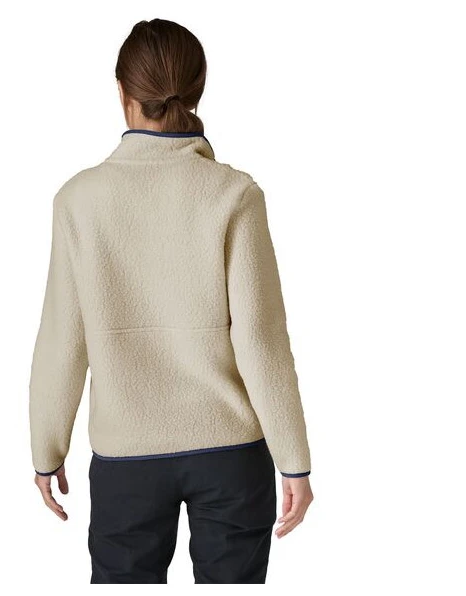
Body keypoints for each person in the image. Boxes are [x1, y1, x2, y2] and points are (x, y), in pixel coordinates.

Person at [29, 17, 314, 584]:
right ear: (197, 90)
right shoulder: (234, 194)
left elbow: (64, 338)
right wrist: (294, 461)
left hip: (125, 459)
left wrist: (47, 448)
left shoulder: (79, 201)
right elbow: (260, 339)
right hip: (231, 452)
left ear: (122, 92)